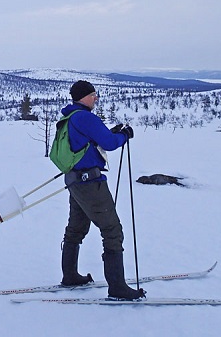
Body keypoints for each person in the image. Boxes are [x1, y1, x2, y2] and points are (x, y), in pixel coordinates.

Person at [58, 80, 145, 300]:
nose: (96, 97)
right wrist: (124, 135)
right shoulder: (84, 116)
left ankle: (70, 275)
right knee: (112, 230)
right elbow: (109, 143)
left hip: (75, 182)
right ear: (83, 96)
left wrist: (113, 133)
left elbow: (93, 140)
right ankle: (117, 288)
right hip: (90, 184)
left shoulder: (70, 117)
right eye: (93, 94)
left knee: (76, 228)